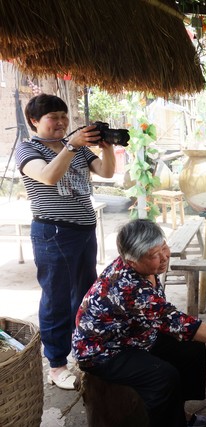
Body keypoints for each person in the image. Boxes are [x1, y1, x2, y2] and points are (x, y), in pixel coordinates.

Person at [72, 219, 206, 427]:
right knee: (163, 378)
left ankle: (178, 413)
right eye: (154, 255)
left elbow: (174, 322)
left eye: (164, 247)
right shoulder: (129, 288)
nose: (164, 256)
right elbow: (179, 323)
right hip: (104, 351)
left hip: (133, 333)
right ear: (131, 261)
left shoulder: (142, 268)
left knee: (191, 347)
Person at [15, 93, 116, 390]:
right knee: (56, 298)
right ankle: (57, 364)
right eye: (52, 118)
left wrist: (106, 147)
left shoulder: (77, 149)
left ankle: (82, 350)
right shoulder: (28, 149)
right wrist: (71, 146)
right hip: (53, 232)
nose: (60, 123)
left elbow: (107, 172)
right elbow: (47, 177)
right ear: (34, 121)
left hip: (84, 231)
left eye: (64, 117)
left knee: (85, 295)